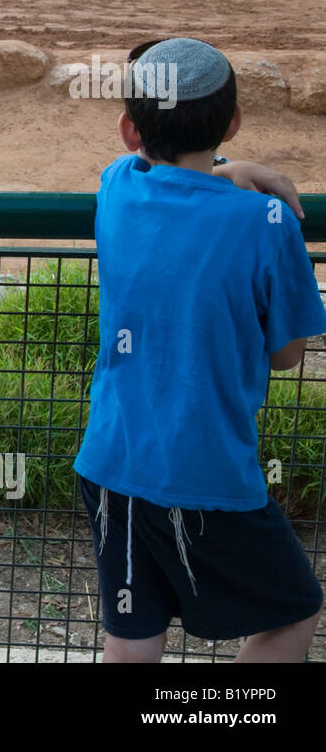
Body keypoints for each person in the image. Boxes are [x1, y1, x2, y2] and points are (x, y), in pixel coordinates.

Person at [74, 37, 325, 663]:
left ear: (131, 129)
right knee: (294, 609)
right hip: (208, 471)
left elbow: (157, 174)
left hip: (112, 459)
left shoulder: (118, 187)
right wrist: (235, 174)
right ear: (234, 120)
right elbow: (287, 354)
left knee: (132, 638)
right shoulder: (267, 224)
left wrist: (225, 171)